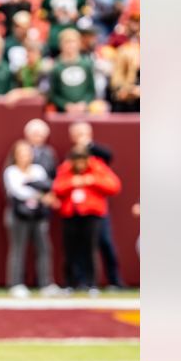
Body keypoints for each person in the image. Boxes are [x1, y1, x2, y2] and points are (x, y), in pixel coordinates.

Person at [53, 147, 121, 295]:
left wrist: (91, 181)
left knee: (90, 249)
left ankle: (92, 284)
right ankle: (70, 284)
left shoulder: (97, 168)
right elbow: (57, 187)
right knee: (70, 250)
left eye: (82, 161)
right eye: (77, 161)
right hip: (71, 214)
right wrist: (73, 182)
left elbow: (114, 186)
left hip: (92, 214)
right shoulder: (66, 169)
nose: (80, 165)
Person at [69, 121, 124, 288]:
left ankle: (114, 280)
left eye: (83, 133)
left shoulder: (97, 159)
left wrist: (90, 180)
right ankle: (81, 282)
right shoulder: (71, 157)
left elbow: (112, 179)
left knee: (105, 243)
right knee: (79, 247)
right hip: (77, 209)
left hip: (97, 208)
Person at [3, 140, 59, 297]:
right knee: (18, 249)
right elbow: (18, 192)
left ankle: (46, 284)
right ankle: (16, 284)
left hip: (39, 214)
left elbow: (47, 186)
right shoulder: (11, 171)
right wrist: (38, 190)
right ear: (15, 155)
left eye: (27, 152)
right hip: (18, 215)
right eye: (20, 153)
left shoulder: (38, 169)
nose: (24, 156)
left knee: (44, 248)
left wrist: (32, 185)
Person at [49, 29, 97, 113]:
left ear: (79, 43)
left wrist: (84, 103)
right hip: (63, 113)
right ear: (61, 44)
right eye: (67, 42)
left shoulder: (86, 64)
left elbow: (91, 90)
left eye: (73, 42)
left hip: (83, 112)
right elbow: (53, 94)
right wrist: (65, 105)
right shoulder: (57, 66)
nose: (70, 45)